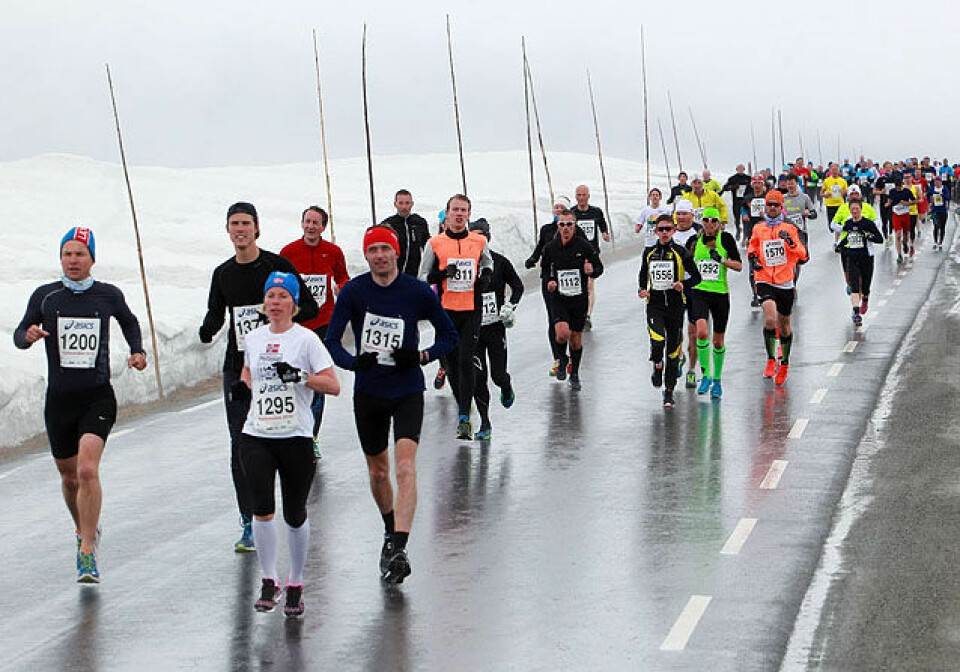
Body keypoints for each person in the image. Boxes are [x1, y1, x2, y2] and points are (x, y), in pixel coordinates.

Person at [14, 227, 148, 583]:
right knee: (69, 477)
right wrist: (27, 336)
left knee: (88, 469)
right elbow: (20, 332)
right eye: (68, 254)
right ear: (61, 258)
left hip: (97, 396)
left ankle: (87, 550)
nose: (73, 260)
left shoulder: (107, 295)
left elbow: (129, 321)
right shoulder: (46, 296)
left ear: (92, 259)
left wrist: (137, 351)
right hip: (59, 401)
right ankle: (83, 530)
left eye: (80, 254)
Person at [325, 226, 457, 583]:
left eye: (386, 249)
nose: (380, 255)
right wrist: (355, 363)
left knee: (404, 467)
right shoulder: (354, 291)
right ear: (366, 256)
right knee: (379, 473)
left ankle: (400, 545)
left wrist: (420, 356)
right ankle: (389, 529)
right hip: (368, 393)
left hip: (407, 390)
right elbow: (332, 340)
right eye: (373, 250)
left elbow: (449, 336)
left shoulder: (415, 291)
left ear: (396, 253)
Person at [199, 202, 319, 552]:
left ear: (257, 229)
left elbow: (308, 307)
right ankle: (249, 520)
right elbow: (215, 314)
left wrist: (275, 319)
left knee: (288, 439)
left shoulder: (277, 267)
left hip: (278, 368)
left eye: (246, 224)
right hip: (237, 368)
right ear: (227, 230)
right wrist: (206, 331)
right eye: (234, 224)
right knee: (240, 443)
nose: (240, 230)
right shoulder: (223, 273)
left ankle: (293, 511)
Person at [232, 272, 340, 616]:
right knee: (261, 508)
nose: (276, 302)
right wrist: (243, 385)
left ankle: (295, 581)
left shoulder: (306, 340)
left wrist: (302, 377)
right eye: (271, 296)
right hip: (257, 434)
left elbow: (333, 385)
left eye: (282, 296)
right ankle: (268, 580)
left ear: (294, 303)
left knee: (294, 514)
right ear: (264, 303)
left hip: (295, 436)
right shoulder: (254, 338)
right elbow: (250, 371)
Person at [419, 194, 493, 439]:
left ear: (469, 214)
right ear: (447, 214)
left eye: (463, 210)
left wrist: (485, 276)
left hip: (471, 309)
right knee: (451, 364)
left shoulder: (478, 241)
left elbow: (487, 263)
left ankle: (463, 417)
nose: (459, 214)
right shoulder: (435, 243)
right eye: (455, 210)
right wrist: (441, 276)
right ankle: (463, 402)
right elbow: (423, 277)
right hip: (445, 312)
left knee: (465, 359)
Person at [280, 206, 349, 458]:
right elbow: (278, 283)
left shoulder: (333, 252)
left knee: (318, 382)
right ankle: (292, 431)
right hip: (295, 326)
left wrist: (343, 288)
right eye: (307, 222)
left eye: (315, 223)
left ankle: (312, 436)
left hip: (323, 323)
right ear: (302, 224)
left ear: (323, 227)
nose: (310, 226)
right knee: (293, 380)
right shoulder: (288, 252)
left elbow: (343, 278)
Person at [638, 214, 701, 408]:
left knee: (673, 351)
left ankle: (669, 392)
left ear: (673, 230)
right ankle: (657, 365)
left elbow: (697, 278)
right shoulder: (649, 252)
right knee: (658, 343)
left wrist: (683, 284)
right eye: (661, 229)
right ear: (656, 231)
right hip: (654, 304)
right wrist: (642, 289)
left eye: (668, 229)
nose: (664, 233)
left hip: (675, 305)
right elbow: (643, 275)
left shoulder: (681, 252)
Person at [747, 190, 809, 386]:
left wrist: (789, 242)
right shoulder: (758, 228)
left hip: (785, 281)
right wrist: (754, 258)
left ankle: (785, 364)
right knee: (770, 318)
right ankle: (771, 359)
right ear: (765, 207)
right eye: (769, 205)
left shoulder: (790, 228)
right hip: (764, 278)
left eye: (775, 205)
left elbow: (803, 256)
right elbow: (752, 247)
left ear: (781, 207)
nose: (772, 208)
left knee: (784, 326)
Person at [469, 218, 523, 438]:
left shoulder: (500, 262)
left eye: (482, 235)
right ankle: (485, 423)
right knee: (477, 378)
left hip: (495, 327)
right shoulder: (465, 265)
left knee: (497, 376)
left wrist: (510, 306)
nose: (479, 239)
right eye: (474, 235)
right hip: (473, 330)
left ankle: (506, 385)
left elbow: (517, 286)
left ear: (488, 238)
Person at [542, 208, 604, 390]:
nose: (566, 228)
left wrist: (592, 271)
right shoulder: (550, 248)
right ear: (558, 226)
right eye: (562, 224)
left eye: (570, 224)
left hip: (579, 299)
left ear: (574, 225)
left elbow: (599, 267)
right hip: (559, 298)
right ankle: (562, 359)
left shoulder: (584, 247)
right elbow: (545, 270)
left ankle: (575, 373)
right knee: (561, 334)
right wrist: (550, 281)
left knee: (576, 339)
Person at [685, 207, 742, 399]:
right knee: (701, 332)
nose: (709, 224)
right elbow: (683, 263)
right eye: (706, 221)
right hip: (699, 292)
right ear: (702, 223)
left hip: (720, 294)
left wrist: (722, 261)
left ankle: (717, 380)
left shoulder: (725, 239)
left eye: (713, 221)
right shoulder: (694, 241)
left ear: (719, 223)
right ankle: (706, 375)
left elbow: (739, 266)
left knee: (718, 342)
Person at [526, 196, 583, 375]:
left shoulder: (576, 231)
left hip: (573, 284)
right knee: (553, 319)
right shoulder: (546, 230)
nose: (557, 210)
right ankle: (559, 358)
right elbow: (539, 249)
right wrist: (533, 259)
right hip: (550, 281)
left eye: (561, 207)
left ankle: (572, 358)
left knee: (571, 327)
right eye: (556, 207)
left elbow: (587, 251)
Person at [832, 202, 884, 326]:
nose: (854, 211)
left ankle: (865, 298)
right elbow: (848, 237)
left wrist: (868, 235)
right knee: (854, 287)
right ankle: (856, 313)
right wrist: (839, 246)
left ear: (861, 209)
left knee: (865, 286)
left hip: (866, 257)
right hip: (852, 257)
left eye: (856, 209)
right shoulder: (849, 223)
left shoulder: (868, 223)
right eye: (852, 209)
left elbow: (880, 239)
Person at [570, 184, 611, 330]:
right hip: (576, 254)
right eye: (579, 195)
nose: (581, 198)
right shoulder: (572, 213)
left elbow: (602, 224)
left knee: (589, 285)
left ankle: (587, 315)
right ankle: (576, 312)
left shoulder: (596, 212)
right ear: (576, 196)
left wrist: (605, 233)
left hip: (592, 253)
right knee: (577, 285)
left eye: (584, 195)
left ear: (588, 196)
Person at [381, 189, 430, 277]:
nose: (404, 207)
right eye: (401, 203)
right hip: (393, 274)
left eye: (407, 203)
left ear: (412, 204)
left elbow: (427, 247)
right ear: (395, 204)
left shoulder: (420, 222)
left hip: (414, 274)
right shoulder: (388, 224)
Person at [885, 175, 916, 264]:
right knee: (898, 234)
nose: (898, 187)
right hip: (896, 215)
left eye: (899, 185)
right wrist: (887, 204)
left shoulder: (907, 191)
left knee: (906, 235)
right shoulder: (892, 191)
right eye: (897, 185)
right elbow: (889, 201)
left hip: (905, 215)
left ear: (902, 185)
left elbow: (914, 201)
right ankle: (899, 255)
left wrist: (907, 203)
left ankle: (905, 244)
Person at [721, 164, 752, 241]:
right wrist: (733, 187)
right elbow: (725, 188)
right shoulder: (732, 178)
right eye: (739, 169)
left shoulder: (748, 178)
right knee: (737, 219)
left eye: (742, 169)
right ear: (736, 169)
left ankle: (745, 235)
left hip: (745, 201)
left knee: (745, 219)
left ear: (744, 169)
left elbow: (753, 188)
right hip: (736, 202)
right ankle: (738, 230)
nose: (740, 170)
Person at [821, 164, 848, 230]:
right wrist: (825, 195)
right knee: (831, 225)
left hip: (840, 204)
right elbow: (821, 193)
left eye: (836, 170)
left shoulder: (843, 181)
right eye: (833, 170)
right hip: (830, 204)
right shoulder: (827, 181)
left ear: (839, 171)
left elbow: (846, 192)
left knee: (840, 223)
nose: (835, 172)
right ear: (830, 171)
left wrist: (843, 192)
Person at [927, 176, 952, 250]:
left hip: (943, 210)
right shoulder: (932, 188)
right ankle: (935, 242)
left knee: (942, 227)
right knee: (936, 226)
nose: (937, 183)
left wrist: (942, 195)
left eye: (938, 181)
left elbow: (948, 197)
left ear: (941, 182)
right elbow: (928, 195)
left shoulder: (944, 188)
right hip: (935, 210)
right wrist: (930, 201)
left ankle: (940, 242)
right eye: (935, 181)